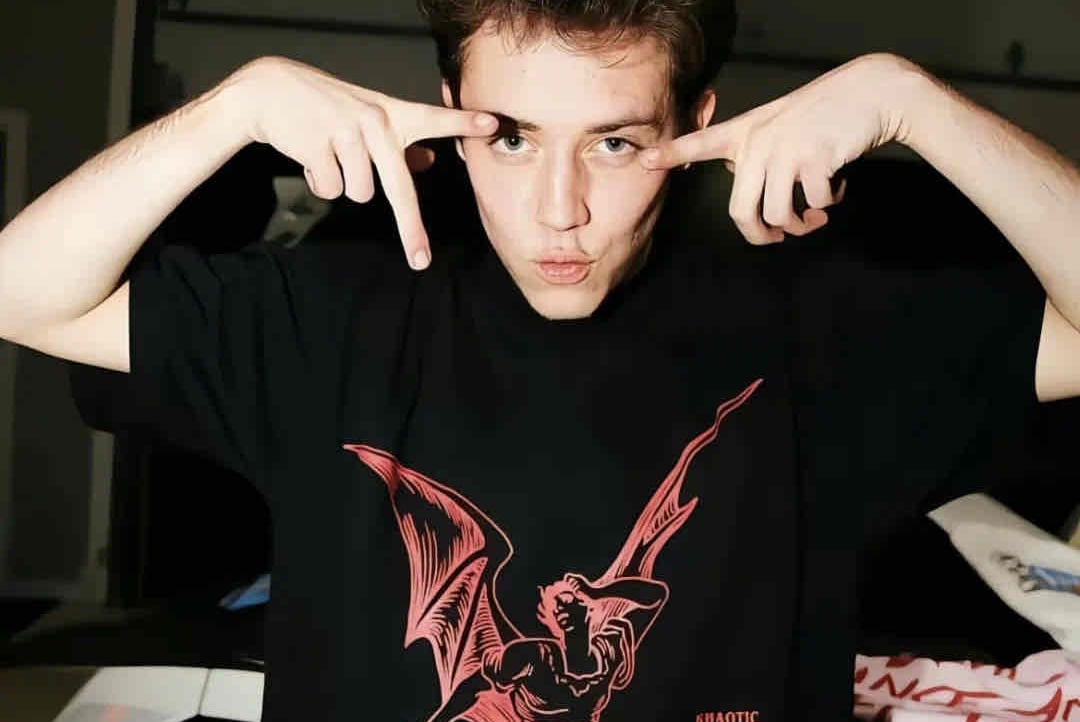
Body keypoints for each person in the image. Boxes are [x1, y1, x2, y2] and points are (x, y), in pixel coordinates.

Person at [0, 0, 1076, 720]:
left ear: (695, 124)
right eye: (511, 137)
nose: (560, 210)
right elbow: (21, 292)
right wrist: (236, 107)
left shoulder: (819, 339)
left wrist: (911, 100)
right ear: (449, 116)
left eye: (615, 141)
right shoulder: (330, 321)